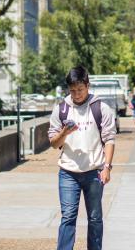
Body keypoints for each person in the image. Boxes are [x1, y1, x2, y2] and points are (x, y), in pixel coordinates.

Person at [48, 66, 116, 250]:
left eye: (80, 89)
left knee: (95, 218)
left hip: (94, 171)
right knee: (68, 216)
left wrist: (107, 167)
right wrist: (64, 132)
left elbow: (109, 139)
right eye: (72, 90)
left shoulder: (101, 108)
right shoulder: (61, 110)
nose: (76, 94)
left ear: (88, 85)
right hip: (68, 172)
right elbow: (54, 144)